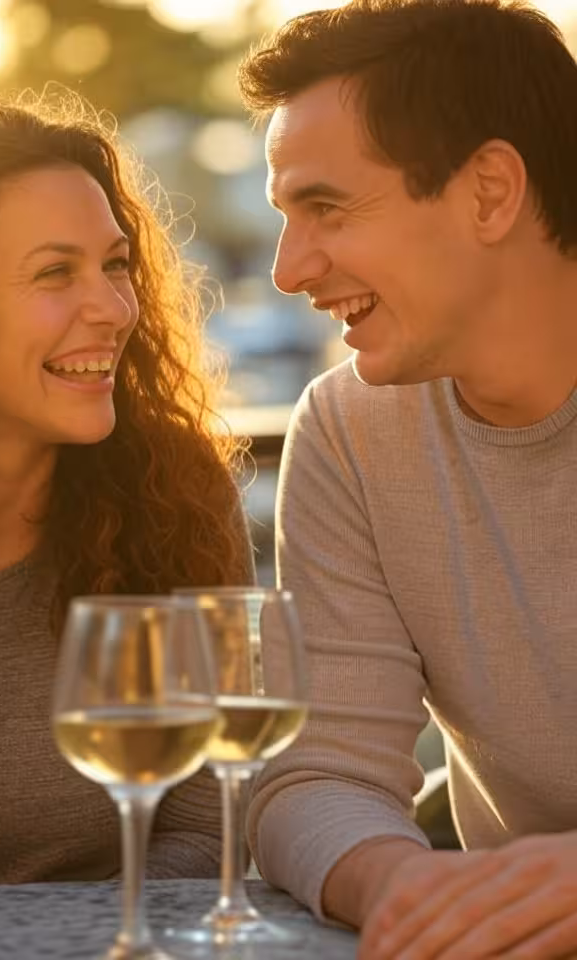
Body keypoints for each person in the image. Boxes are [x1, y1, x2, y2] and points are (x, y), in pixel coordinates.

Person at [237, 0, 577, 956]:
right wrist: (413, 889)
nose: (289, 268)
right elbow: (315, 777)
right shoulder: (351, 430)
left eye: (327, 208)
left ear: (490, 192)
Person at [0, 92, 255, 892]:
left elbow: (210, 823)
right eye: (53, 273)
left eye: (115, 265)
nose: (112, 309)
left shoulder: (174, 493)